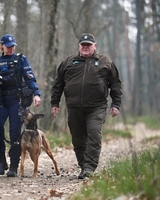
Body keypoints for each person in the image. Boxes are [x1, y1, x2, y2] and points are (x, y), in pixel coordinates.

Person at [50, 33, 122, 179]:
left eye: (88, 45)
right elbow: (58, 84)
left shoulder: (104, 61)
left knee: (94, 134)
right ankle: (84, 165)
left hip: (97, 106)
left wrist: (116, 104)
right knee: (78, 139)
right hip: (74, 107)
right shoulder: (69, 62)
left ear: (94, 46)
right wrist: (55, 103)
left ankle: (89, 167)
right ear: (79, 46)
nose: (85, 47)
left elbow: (115, 83)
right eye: (83, 45)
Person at [0, 34, 41, 177]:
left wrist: (36, 93)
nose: (11, 48)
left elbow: (30, 77)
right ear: (2, 46)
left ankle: (14, 165)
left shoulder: (21, 59)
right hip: (0, 101)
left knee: (15, 134)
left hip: (16, 101)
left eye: (13, 46)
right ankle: (2, 162)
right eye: (8, 46)